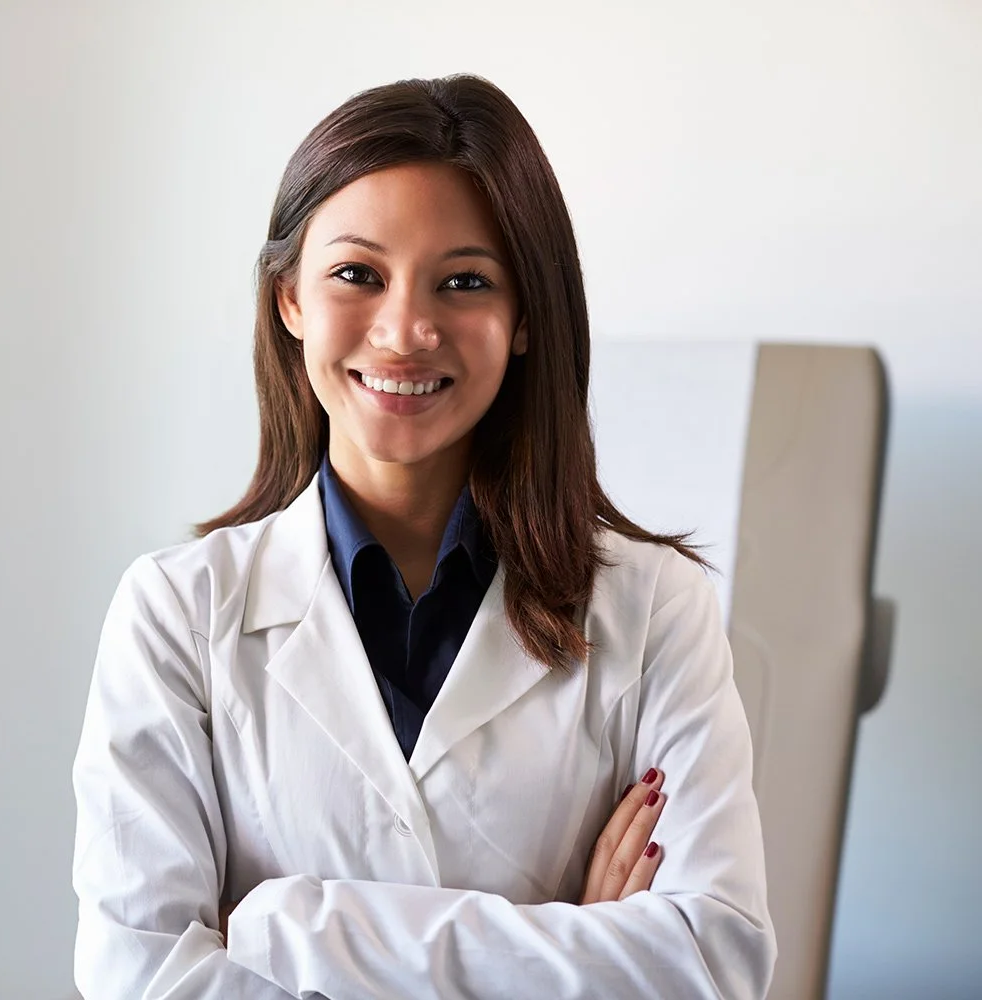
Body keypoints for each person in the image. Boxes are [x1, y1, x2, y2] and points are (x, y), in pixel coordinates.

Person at [71, 73, 775, 999]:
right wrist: (576, 945)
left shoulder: (656, 611)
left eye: (465, 282)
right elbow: (140, 973)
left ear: (525, 319)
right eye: (357, 274)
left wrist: (290, 932)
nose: (405, 331)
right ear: (290, 299)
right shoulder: (174, 615)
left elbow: (713, 959)